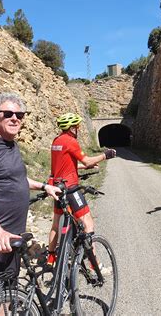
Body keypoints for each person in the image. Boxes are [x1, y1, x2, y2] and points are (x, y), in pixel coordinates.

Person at [0, 92, 61, 281]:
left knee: (9, 283)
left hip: (13, 231)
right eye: (8, 114)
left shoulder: (11, 145)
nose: (15, 118)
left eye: (20, 115)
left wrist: (45, 187)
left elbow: (17, 179)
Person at [46, 112, 116, 267]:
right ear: (71, 128)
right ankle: (94, 264)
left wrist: (85, 166)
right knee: (88, 223)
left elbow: (65, 164)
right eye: (77, 126)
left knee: (56, 224)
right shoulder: (70, 141)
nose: (78, 129)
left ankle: (51, 257)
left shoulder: (56, 141)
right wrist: (105, 155)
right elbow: (87, 159)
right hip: (71, 189)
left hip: (57, 187)